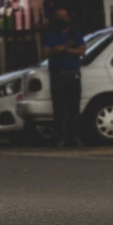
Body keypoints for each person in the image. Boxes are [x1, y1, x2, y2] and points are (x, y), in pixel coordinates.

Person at [42, 8, 86, 147]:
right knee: (59, 108)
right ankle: (61, 137)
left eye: (64, 16)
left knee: (74, 108)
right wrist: (64, 47)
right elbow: (47, 52)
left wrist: (64, 50)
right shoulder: (50, 35)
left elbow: (82, 51)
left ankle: (75, 136)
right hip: (58, 75)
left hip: (73, 74)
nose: (62, 19)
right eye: (59, 16)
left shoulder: (75, 34)